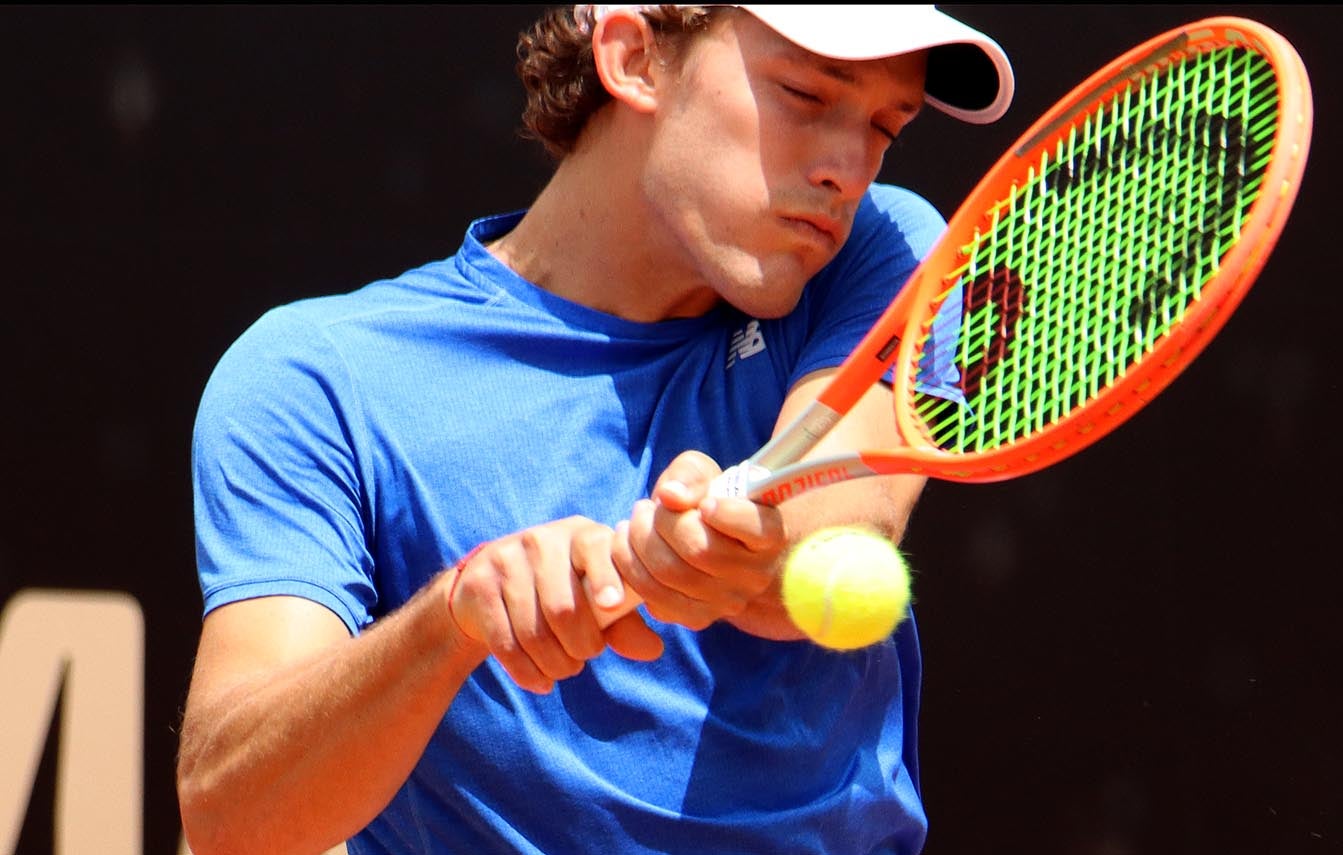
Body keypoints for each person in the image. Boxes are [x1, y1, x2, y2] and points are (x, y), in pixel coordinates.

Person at [176, 5, 1014, 855]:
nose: (848, 169)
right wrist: (450, 624)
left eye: (884, 127)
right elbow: (232, 821)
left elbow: (839, 524)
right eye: (803, 95)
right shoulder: (318, 377)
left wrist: (736, 549)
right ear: (633, 58)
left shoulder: (889, 254)